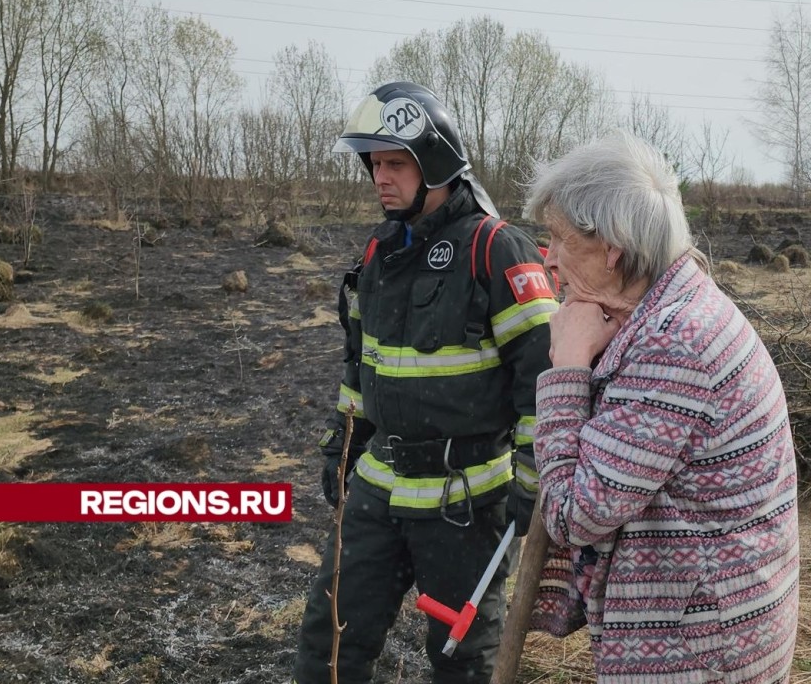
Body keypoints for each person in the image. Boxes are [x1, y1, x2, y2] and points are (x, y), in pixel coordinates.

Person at [291, 82, 558, 684]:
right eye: (374, 165)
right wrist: (344, 444)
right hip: (378, 490)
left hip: (466, 504)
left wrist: (533, 483)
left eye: (395, 163)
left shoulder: (498, 250)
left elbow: (546, 382)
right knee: (328, 643)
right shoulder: (379, 253)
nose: (380, 178)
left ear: (435, 162)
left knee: (461, 663)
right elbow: (359, 367)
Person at [524, 131, 799, 683]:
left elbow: (573, 512)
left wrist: (569, 366)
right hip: (714, 624)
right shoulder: (672, 308)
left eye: (558, 238)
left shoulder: (675, 346)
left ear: (612, 249)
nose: (547, 259)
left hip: (697, 651)